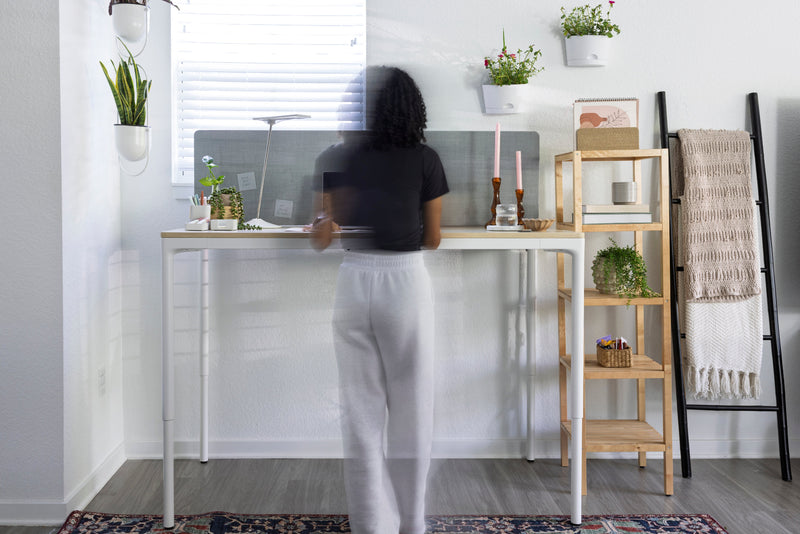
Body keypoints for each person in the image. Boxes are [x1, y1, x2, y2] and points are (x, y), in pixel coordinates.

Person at [311, 66, 448, 534]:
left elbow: (323, 238)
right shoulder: (425, 159)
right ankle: (412, 523)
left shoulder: (339, 157)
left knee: (360, 412)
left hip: (353, 282)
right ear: (412, 108)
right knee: (413, 408)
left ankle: (371, 526)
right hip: (405, 284)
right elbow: (432, 239)